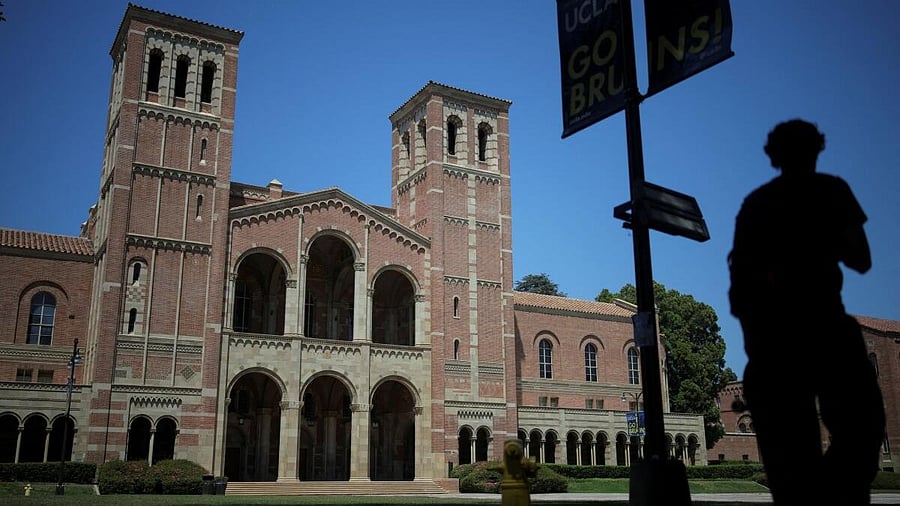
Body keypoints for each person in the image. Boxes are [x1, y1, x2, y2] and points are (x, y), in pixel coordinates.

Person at [728, 119, 885, 505]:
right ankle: (836, 492)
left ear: (771, 156)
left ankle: (813, 493)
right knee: (862, 428)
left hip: (775, 339)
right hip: (824, 324)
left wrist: (755, 344)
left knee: (789, 452)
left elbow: (739, 289)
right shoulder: (832, 191)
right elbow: (861, 259)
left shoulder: (756, 204)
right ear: (818, 149)